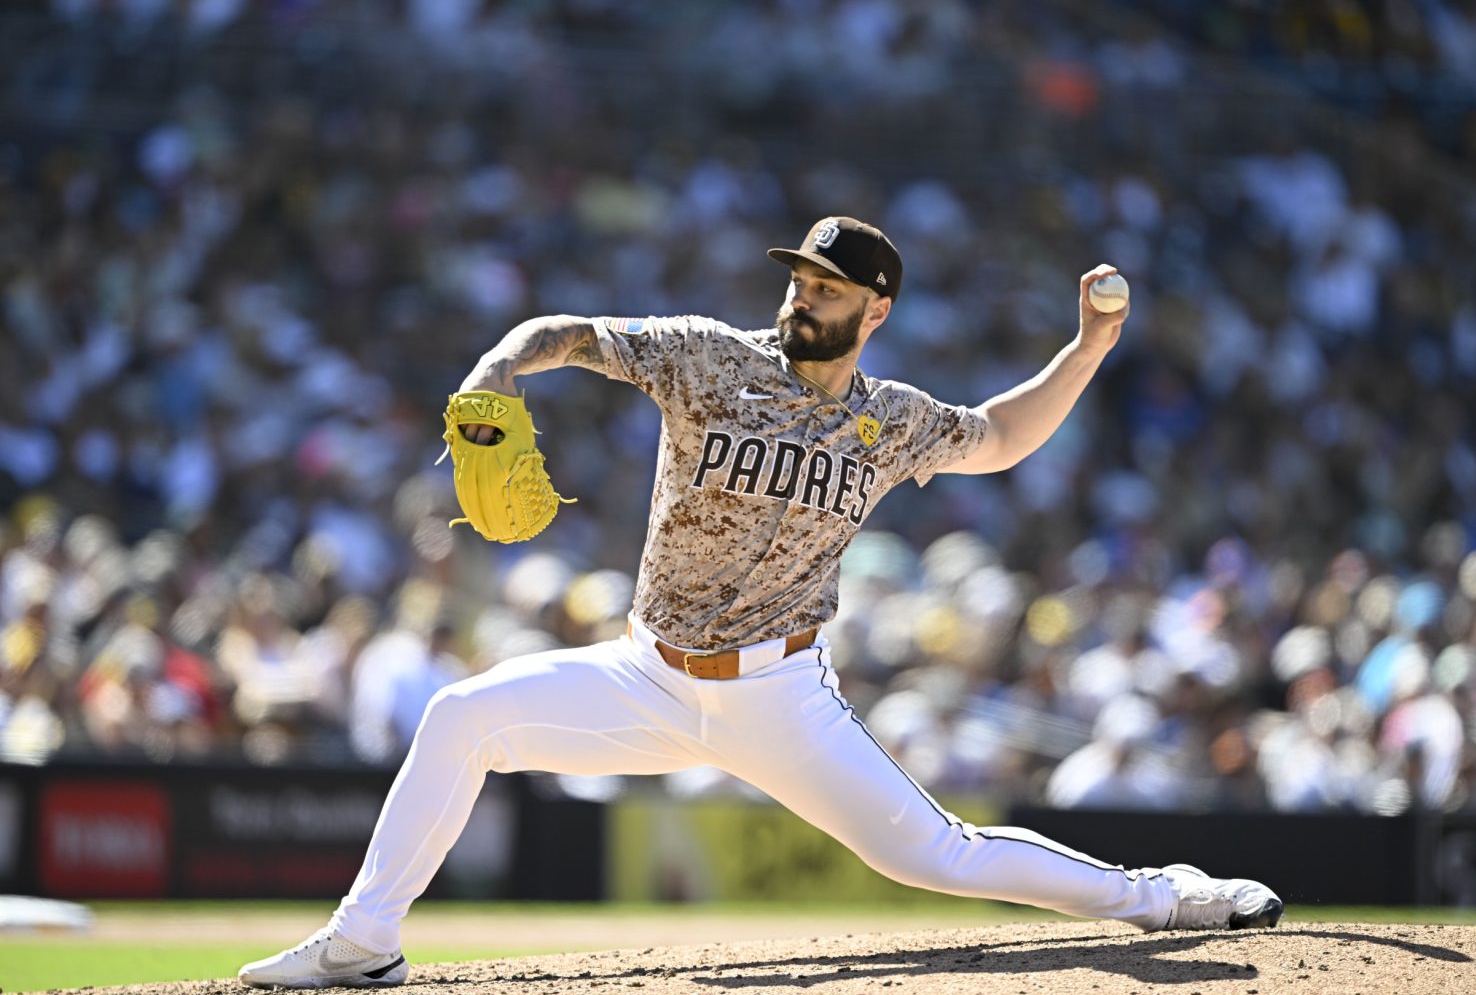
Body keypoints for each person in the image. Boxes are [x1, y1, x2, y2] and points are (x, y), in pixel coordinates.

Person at [238, 216, 1282, 989]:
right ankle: (363, 942)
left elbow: (1003, 435)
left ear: (875, 310)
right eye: (798, 279)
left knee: (938, 855)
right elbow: (571, 331)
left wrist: (1090, 348)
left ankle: (1164, 895)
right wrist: (497, 367)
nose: (801, 299)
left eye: (828, 289)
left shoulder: (890, 423)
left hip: (779, 692)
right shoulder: (709, 358)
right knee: (461, 716)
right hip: (645, 674)